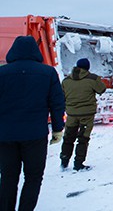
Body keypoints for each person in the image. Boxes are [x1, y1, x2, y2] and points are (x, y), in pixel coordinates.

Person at [0, 36, 65, 211]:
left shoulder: (2, 73)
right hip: (35, 136)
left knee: (8, 177)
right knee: (34, 177)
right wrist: (58, 128)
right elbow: (57, 103)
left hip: (5, 136)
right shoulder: (48, 73)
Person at [60, 57, 106, 171]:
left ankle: (64, 161)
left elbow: (62, 96)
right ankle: (78, 163)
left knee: (68, 137)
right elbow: (102, 89)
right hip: (87, 114)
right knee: (83, 139)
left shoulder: (66, 81)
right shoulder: (92, 79)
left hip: (71, 114)